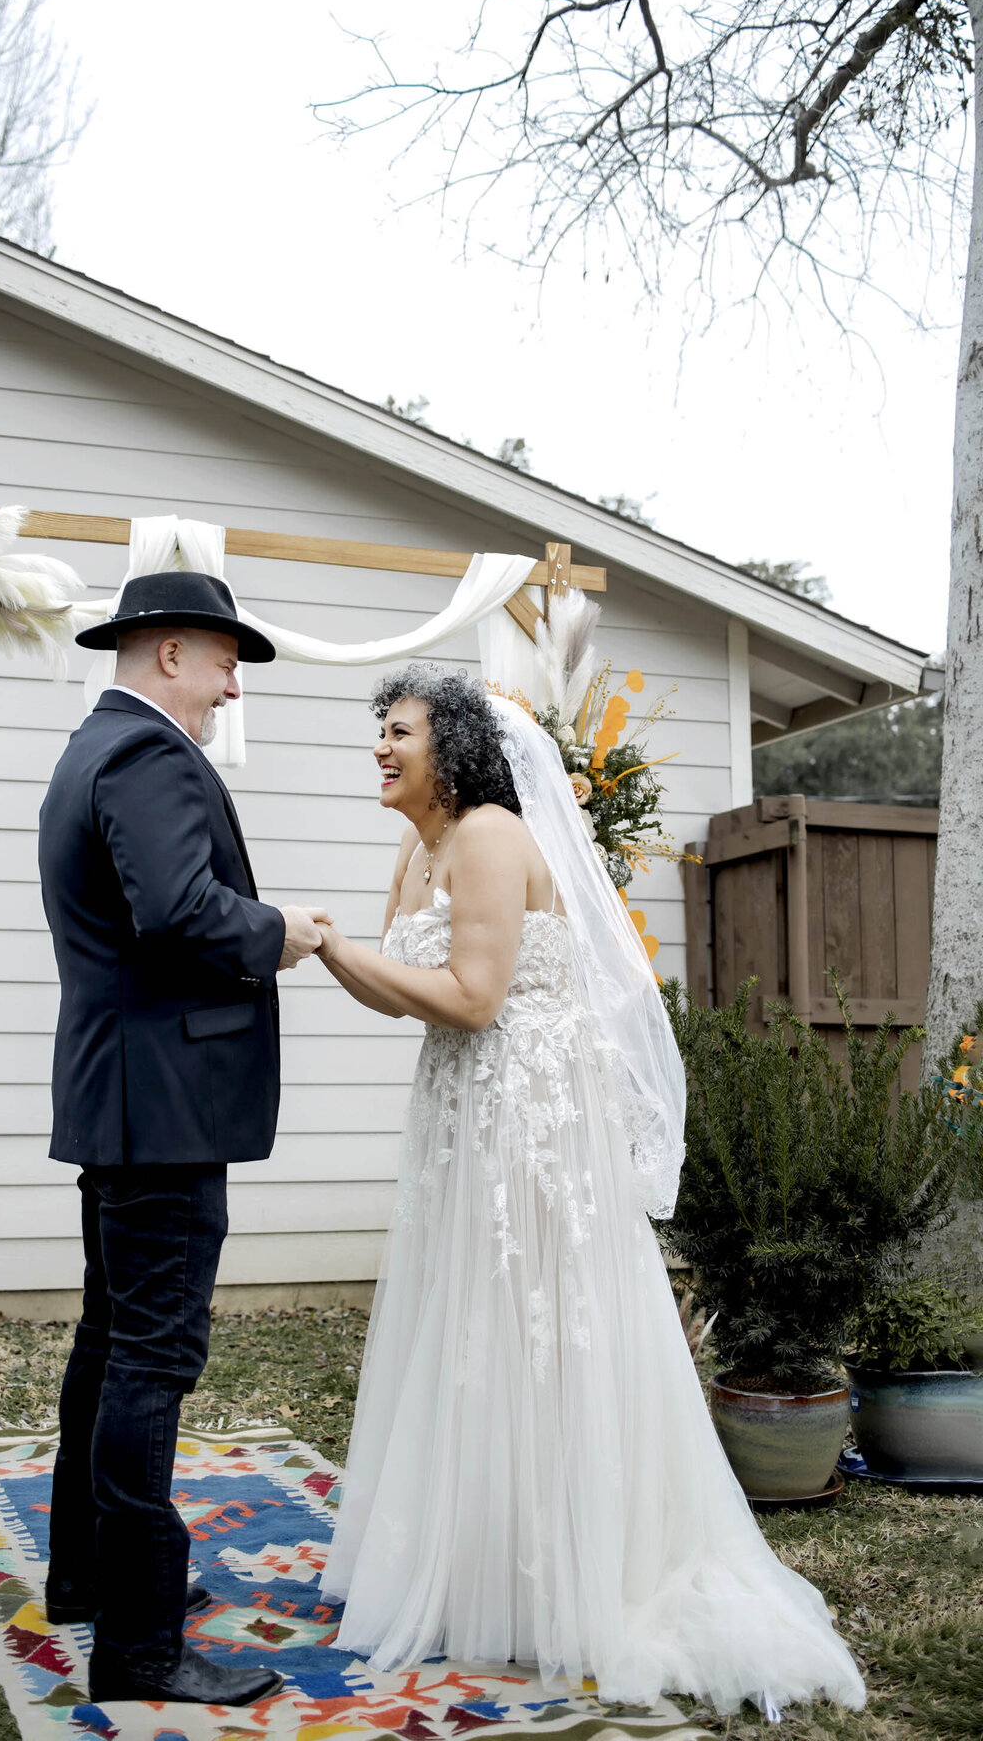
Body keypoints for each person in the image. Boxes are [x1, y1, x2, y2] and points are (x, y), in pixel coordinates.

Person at [314, 665, 866, 1718]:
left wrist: (328, 942)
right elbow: (401, 991)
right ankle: (487, 1552)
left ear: (458, 747)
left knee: (527, 1335)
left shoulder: (484, 836)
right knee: (469, 1328)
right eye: (376, 734)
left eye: (400, 733)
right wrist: (330, 949)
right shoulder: (427, 840)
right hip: (465, 1112)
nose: (381, 750)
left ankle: (563, 1574)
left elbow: (472, 1001)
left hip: (526, 1121)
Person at [38, 570, 327, 1708]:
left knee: (112, 1342)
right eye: (222, 657)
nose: (231, 681)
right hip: (160, 1106)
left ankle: (88, 1578)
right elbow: (178, 911)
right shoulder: (151, 755)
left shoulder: (92, 749)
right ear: (167, 654)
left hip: (124, 1097)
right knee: (152, 1356)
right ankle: (144, 1642)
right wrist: (283, 931)